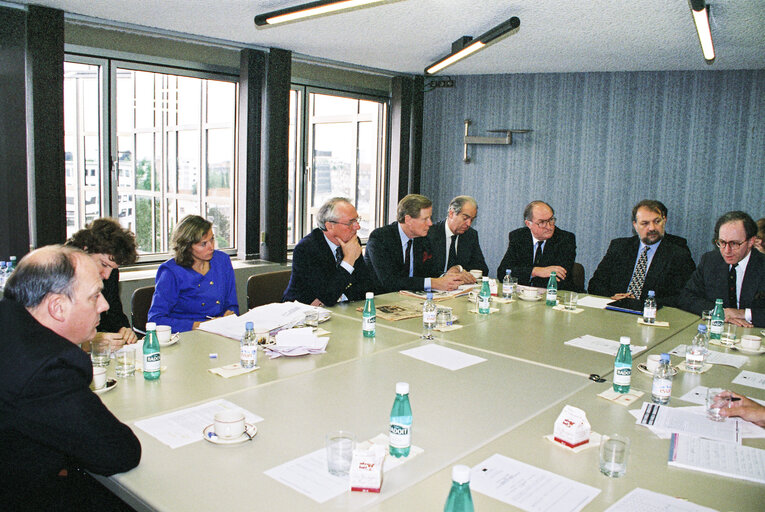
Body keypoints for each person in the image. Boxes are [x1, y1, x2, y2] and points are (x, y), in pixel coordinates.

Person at [0, 246, 141, 510]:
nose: (105, 305)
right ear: (57, 307)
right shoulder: (46, 367)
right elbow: (119, 453)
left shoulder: (9, 321)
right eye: (94, 296)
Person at [587, 200, 695, 307]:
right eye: (645, 223)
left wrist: (642, 303)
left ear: (664, 220)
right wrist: (613, 297)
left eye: (657, 221)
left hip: (652, 314)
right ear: (635, 225)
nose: (652, 228)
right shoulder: (619, 247)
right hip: (615, 311)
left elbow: (684, 296)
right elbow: (595, 284)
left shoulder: (678, 254)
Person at [148, 215, 238, 332]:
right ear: (187, 247)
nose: (211, 247)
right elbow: (155, 320)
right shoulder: (171, 272)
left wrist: (230, 314)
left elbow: (232, 305)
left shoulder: (222, 261)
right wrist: (198, 325)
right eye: (203, 244)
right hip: (185, 335)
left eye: (212, 239)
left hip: (220, 331)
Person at [678, 211, 765, 327]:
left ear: (751, 241)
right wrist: (719, 312)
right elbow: (686, 297)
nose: (726, 250)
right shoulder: (710, 261)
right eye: (722, 242)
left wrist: (744, 314)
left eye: (734, 243)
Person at [283, 197, 375, 306]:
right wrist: (348, 261)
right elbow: (328, 295)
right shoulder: (307, 248)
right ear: (330, 226)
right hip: (300, 314)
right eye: (351, 222)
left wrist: (339, 296)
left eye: (357, 220)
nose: (357, 227)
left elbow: (367, 287)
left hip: (336, 310)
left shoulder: (353, 242)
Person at [365, 194, 463, 293]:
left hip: (412, 299)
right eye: (425, 219)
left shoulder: (422, 238)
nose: (430, 223)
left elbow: (430, 272)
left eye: (430, 218)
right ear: (408, 220)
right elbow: (390, 282)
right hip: (380, 300)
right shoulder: (380, 238)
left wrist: (447, 276)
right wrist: (434, 283)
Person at [66, 217, 139, 350]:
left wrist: (124, 330)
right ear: (86, 249)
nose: (106, 275)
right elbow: (54, 339)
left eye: (113, 268)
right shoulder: (58, 276)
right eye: (104, 264)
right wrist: (90, 341)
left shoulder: (109, 273)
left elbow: (114, 312)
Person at [496, 200, 577, 290]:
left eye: (551, 220)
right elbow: (503, 273)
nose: (549, 227)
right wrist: (535, 271)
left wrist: (523, 273)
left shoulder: (565, 239)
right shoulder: (518, 237)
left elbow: (559, 278)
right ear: (528, 224)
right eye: (542, 222)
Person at [426, 195, 489, 284]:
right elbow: (423, 271)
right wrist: (445, 276)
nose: (469, 224)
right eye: (465, 218)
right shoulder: (430, 233)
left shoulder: (470, 235)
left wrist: (459, 268)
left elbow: (482, 269)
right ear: (451, 214)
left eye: (472, 219)